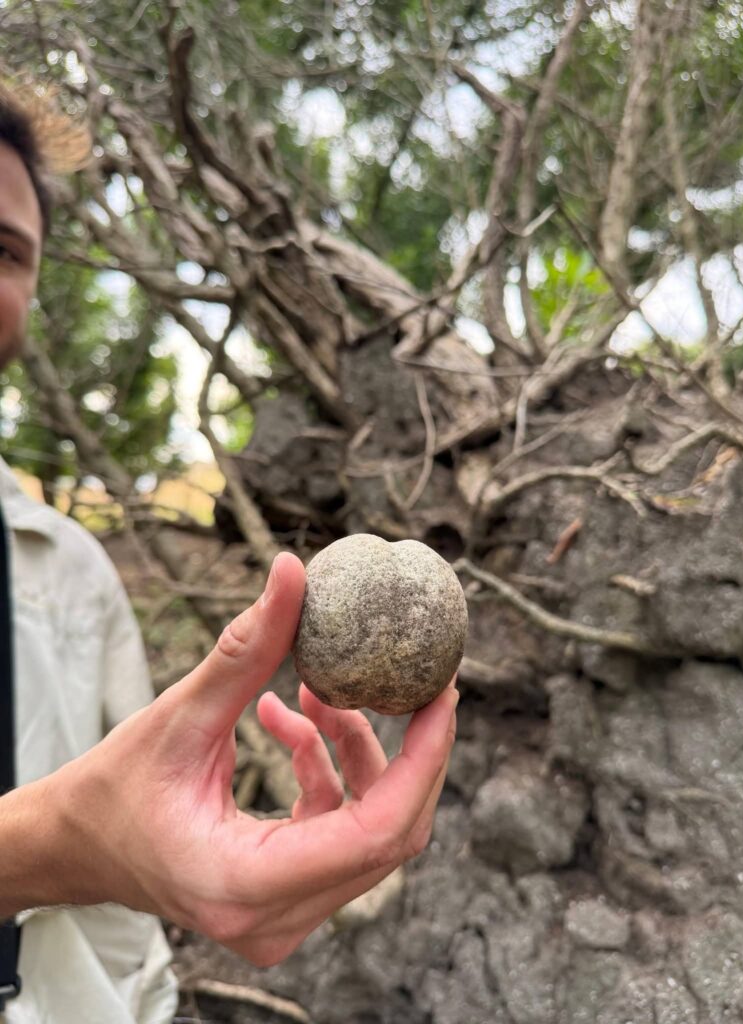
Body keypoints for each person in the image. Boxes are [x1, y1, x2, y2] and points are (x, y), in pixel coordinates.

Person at [0, 81, 458, 1022]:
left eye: (4, 250)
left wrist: (152, 900)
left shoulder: (72, 573)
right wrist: (51, 843)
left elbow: (130, 879)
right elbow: (91, 836)